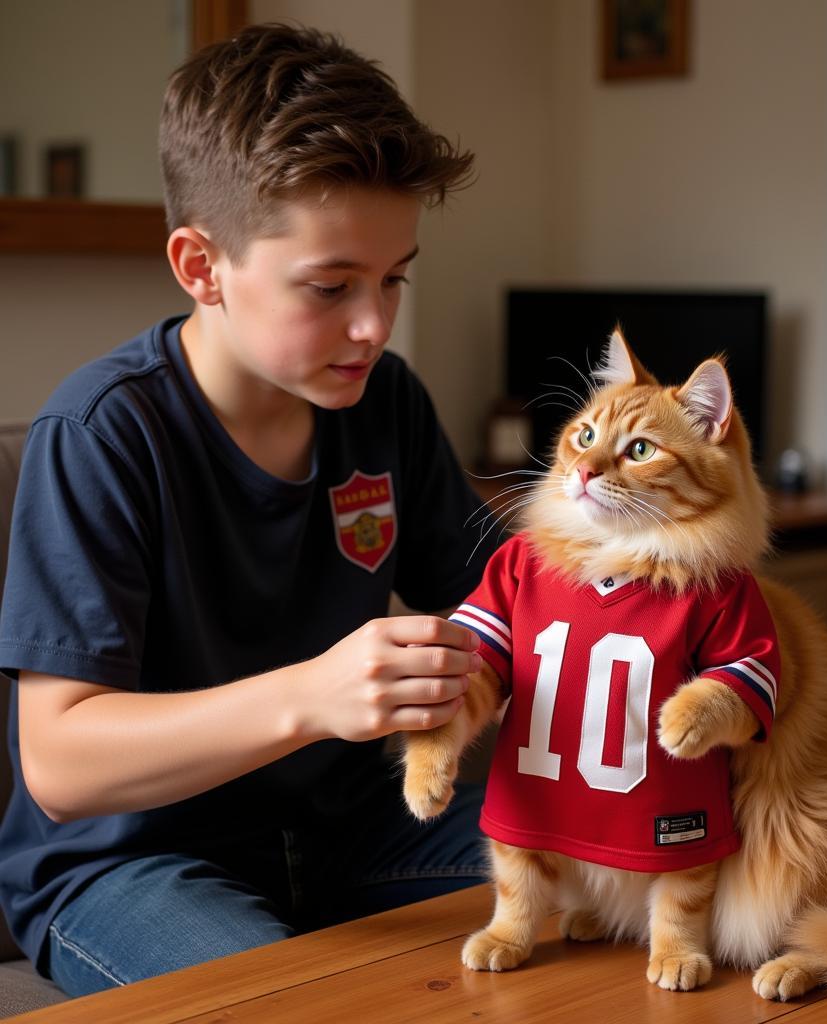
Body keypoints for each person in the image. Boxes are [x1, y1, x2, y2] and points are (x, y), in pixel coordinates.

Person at [0, 23, 497, 997]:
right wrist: (311, 696)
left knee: (618, 880)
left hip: (347, 824)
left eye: (394, 276)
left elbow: (503, 589)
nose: (374, 324)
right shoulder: (102, 434)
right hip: (128, 862)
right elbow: (59, 759)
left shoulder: (385, 399)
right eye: (330, 286)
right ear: (200, 266)